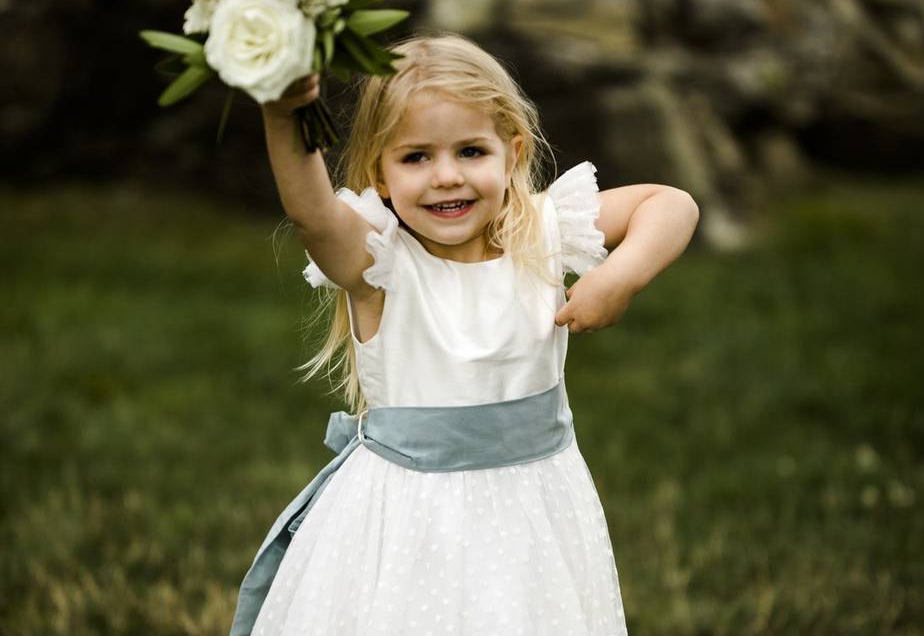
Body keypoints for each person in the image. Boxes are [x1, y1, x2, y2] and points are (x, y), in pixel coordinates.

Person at [231, 33, 699, 636]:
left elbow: (671, 203)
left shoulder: (544, 232)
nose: (446, 177)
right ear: (379, 172)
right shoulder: (379, 266)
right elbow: (312, 213)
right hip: (407, 521)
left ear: (512, 152)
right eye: (416, 157)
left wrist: (621, 276)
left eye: (471, 151)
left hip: (536, 513)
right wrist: (283, 111)